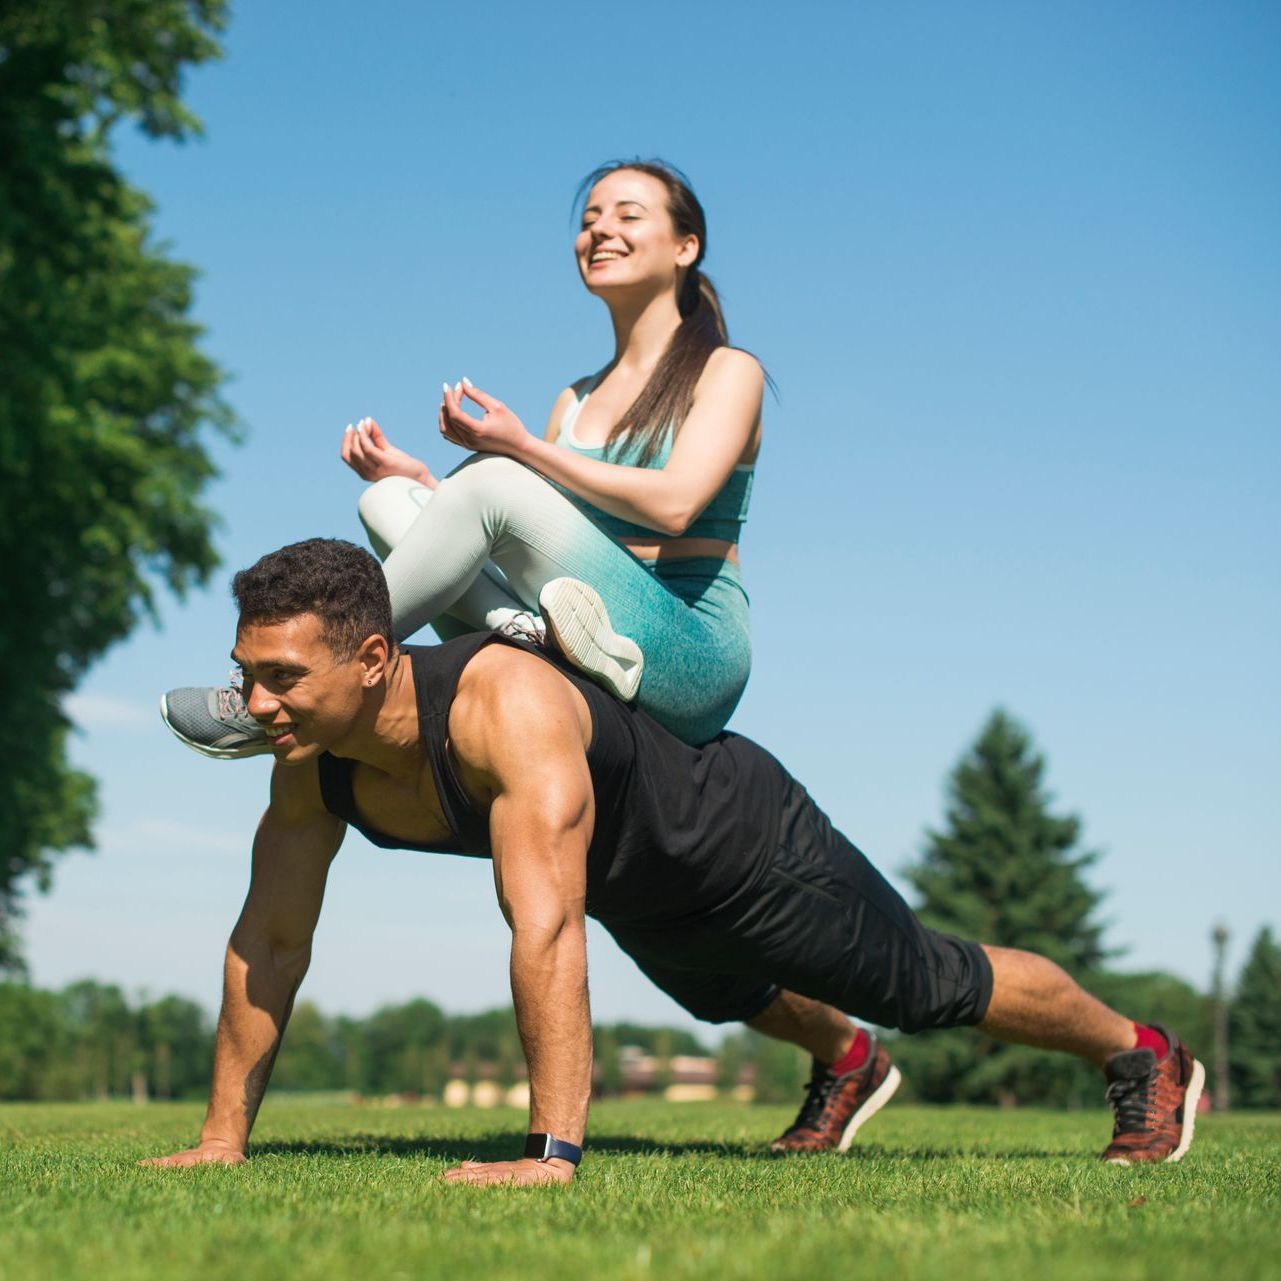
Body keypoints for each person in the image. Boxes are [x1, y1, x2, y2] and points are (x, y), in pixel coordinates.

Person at [143, 540, 1204, 1184]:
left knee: (923, 984)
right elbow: (270, 941)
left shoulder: (503, 706)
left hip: (742, 844)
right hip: (636, 888)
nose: (257, 704)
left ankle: (1143, 1052)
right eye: (247, 675)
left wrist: (550, 1154)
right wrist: (224, 1135)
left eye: (282, 676)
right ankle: (846, 1062)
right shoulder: (309, 761)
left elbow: (544, 930)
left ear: (374, 660)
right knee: (724, 995)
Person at [160, 158, 764, 757]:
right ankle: (535, 639)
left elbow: (677, 506)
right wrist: (425, 483)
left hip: (687, 648)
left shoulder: (728, 371)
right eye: (590, 219)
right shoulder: (575, 399)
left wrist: (521, 448)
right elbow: (529, 520)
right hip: (583, 613)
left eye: (627, 215)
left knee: (494, 482)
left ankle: (305, 676)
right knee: (387, 499)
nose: (601, 230)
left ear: (686, 246)